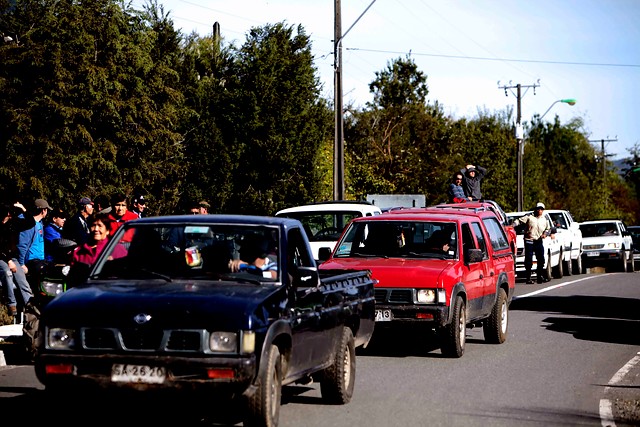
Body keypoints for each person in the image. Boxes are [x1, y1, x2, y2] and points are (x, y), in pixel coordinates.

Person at [0, 202, 34, 316]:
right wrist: (9, 261)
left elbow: (31, 222)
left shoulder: (13, 223)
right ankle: (11, 304)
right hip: (1, 257)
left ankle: (30, 305)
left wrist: (24, 209)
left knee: (21, 280)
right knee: (7, 273)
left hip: (12, 257)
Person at [511, 202, 555, 284]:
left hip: (538, 240)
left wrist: (545, 234)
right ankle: (528, 278)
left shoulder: (544, 219)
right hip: (529, 240)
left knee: (541, 259)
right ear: (535, 209)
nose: (540, 211)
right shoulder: (529, 216)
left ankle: (539, 277)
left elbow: (548, 229)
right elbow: (518, 221)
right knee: (528, 260)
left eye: (541, 209)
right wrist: (512, 226)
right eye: (538, 209)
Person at [16, 198, 51, 294]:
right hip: (31, 261)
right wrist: (21, 264)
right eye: (47, 210)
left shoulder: (40, 224)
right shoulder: (28, 224)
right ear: (43, 210)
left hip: (40, 259)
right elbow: (22, 245)